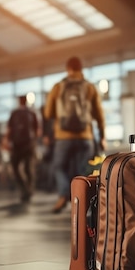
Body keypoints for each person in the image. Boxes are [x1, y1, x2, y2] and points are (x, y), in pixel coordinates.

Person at [44, 56, 107, 214]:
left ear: (68, 69)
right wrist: (103, 136)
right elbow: (99, 114)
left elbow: (48, 112)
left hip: (63, 137)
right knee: (83, 170)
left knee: (58, 166)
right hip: (85, 136)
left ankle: (64, 194)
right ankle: (83, 202)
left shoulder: (58, 87)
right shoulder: (90, 87)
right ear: (81, 68)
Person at [4, 95, 39, 203]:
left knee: (15, 167)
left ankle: (25, 189)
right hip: (29, 144)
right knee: (29, 168)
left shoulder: (14, 113)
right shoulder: (32, 113)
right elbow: (37, 130)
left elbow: (9, 129)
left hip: (17, 144)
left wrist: (6, 141)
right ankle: (29, 189)